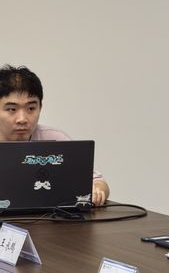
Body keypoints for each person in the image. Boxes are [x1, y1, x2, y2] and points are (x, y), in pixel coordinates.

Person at [0, 65, 110, 205]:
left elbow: (98, 182)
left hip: (49, 217)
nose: (22, 119)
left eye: (31, 108)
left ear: (40, 107)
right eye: (12, 109)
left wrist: (97, 190)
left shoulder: (55, 139)